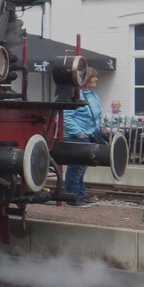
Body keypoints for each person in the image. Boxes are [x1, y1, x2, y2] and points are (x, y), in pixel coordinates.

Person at [62, 67, 102, 206]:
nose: (96, 79)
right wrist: (78, 132)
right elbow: (66, 116)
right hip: (77, 136)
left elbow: (97, 115)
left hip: (88, 135)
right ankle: (72, 197)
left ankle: (80, 194)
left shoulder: (92, 95)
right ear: (85, 79)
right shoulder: (76, 95)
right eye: (93, 77)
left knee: (81, 167)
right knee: (76, 167)